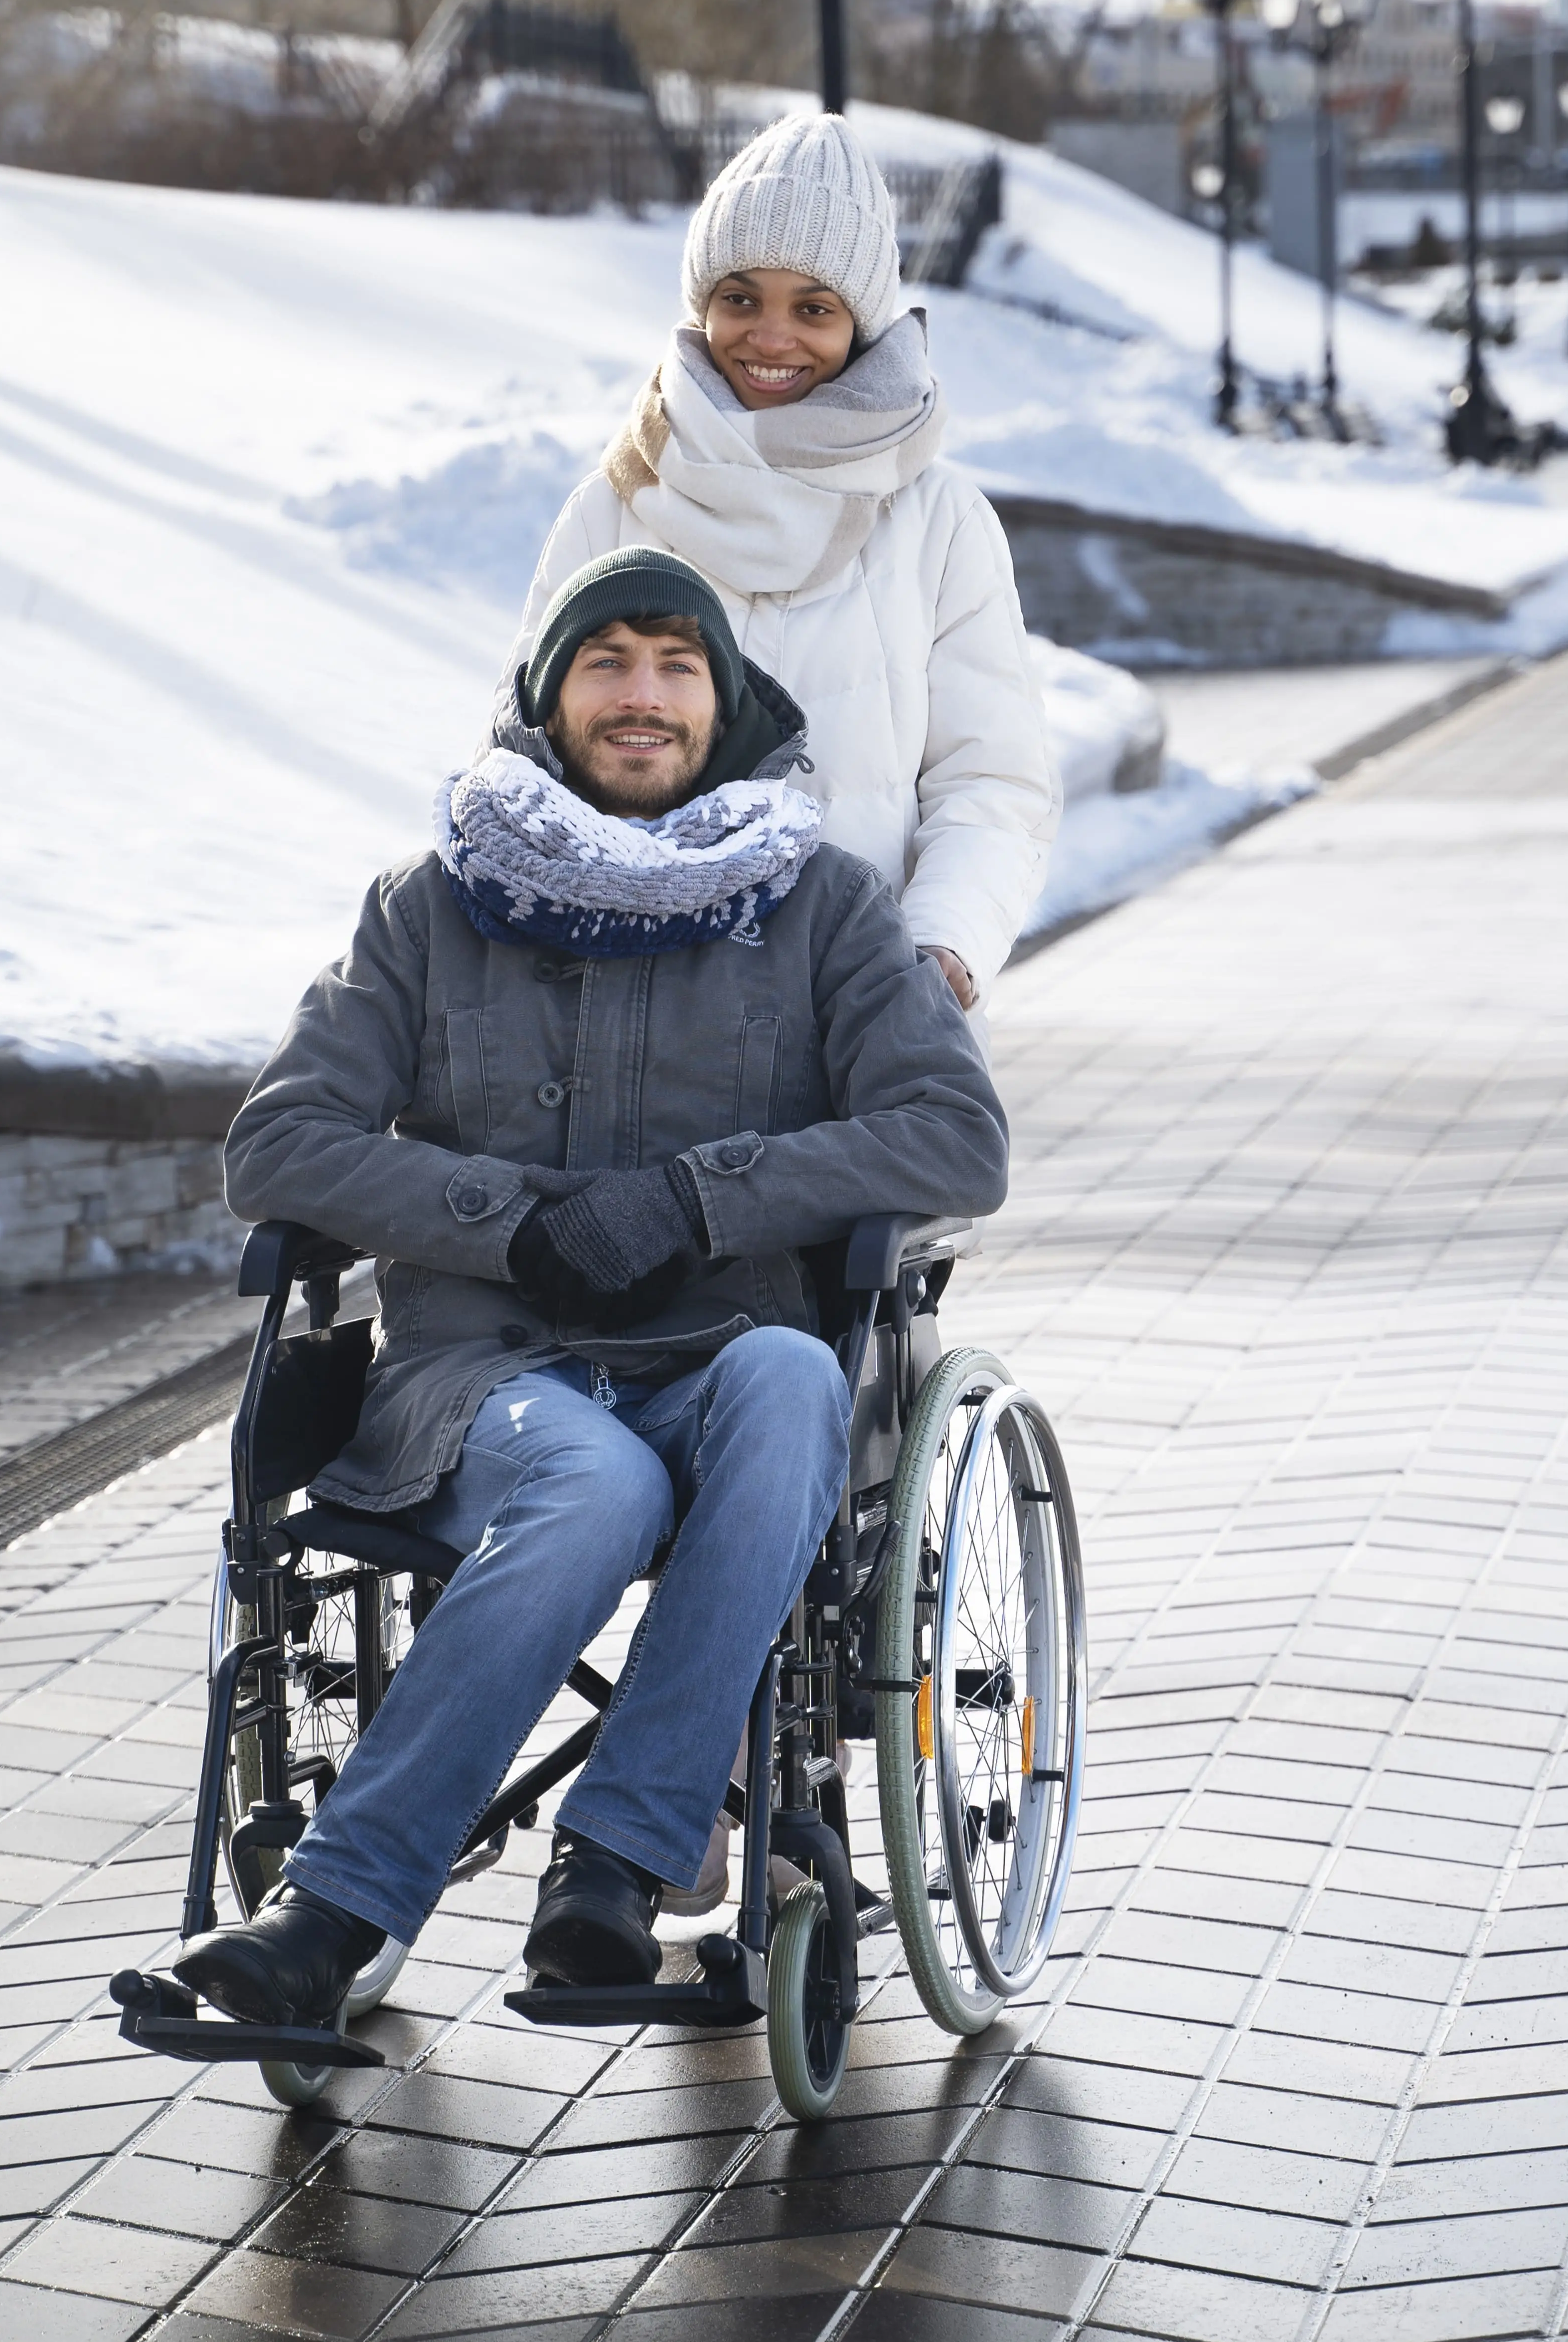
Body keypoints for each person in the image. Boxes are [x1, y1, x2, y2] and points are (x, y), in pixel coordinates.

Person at [174, 548, 1009, 2030]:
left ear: (726, 702)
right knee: (596, 1479)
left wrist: (700, 1195)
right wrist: (507, 1219)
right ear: (549, 700)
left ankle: (609, 1868)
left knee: (790, 1375)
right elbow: (276, 1143)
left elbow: (954, 1134)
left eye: (674, 666)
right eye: (604, 664)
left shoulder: (823, 909)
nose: (639, 697)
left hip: (734, 1350)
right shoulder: (431, 908)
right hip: (484, 1373)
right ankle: (340, 1908)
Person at [511, 113, 1059, 1023]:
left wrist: (936, 956)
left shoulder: (939, 520)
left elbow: (994, 779)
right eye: (740, 298)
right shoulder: (617, 501)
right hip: (630, 1023)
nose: (770, 338)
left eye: (813, 307)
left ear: (861, 322)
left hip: (856, 1022)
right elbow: (524, 752)